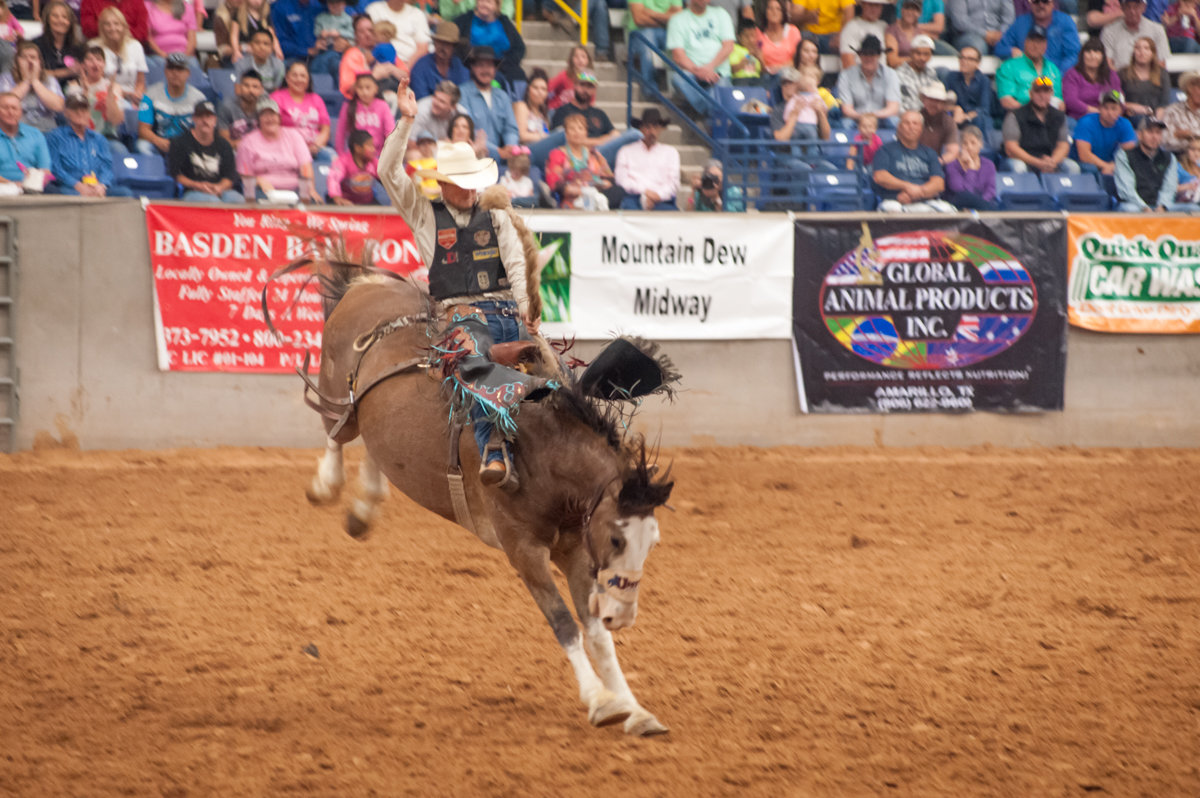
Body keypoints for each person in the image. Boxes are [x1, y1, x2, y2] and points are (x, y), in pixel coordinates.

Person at [380, 86, 551, 486]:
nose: (471, 189)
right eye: (462, 182)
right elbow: (388, 172)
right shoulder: (424, 214)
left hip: (509, 311)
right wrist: (406, 121)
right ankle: (493, 445)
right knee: (470, 357)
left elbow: (515, 260)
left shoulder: (495, 213)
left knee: (555, 372)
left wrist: (527, 305)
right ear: (441, 184)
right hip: (461, 316)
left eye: (474, 180)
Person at [543, 70, 641, 169]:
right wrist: (600, 140)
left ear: (594, 90)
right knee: (635, 134)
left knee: (634, 136)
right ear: (575, 86)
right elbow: (561, 139)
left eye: (590, 87)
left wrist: (587, 141)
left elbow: (615, 135)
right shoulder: (562, 111)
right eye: (582, 85)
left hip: (601, 153)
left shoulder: (599, 113)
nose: (585, 90)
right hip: (577, 155)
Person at [45, 91, 133, 196]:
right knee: (67, 194)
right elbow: (55, 168)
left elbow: (107, 167)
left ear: (89, 113)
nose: (80, 112)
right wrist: (78, 185)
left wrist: (102, 185)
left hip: (97, 186)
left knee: (125, 193)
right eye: (75, 109)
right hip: (70, 188)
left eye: (84, 109)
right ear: (66, 113)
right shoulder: (55, 137)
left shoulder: (99, 139)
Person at [236, 98, 321, 201]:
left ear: (279, 118)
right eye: (265, 115)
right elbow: (245, 175)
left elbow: (305, 166)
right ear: (258, 120)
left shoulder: (294, 135)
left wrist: (310, 189)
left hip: (295, 188)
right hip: (263, 189)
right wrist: (258, 180)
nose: (270, 118)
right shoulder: (247, 142)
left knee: (312, 201)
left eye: (273, 115)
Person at [872, 108, 953, 211]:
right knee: (892, 209)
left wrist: (918, 192)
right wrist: (907, 187)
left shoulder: (930, 153)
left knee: (947, 210)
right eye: (907, 123)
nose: (911, 127)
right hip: (895, 201)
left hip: (925, 201)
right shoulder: (885, 150)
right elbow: (880, 177)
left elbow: (939, 184)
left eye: (915, 124)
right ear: (899, 127)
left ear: (921, 129)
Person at [666, 0, 735, 113]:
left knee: (718, 92)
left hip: (718, 74)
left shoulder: (721, 14)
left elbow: (728, 46)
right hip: (691, 74)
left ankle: (703, 113)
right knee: (678, 78)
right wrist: (698, 71)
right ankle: (707, 111)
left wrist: (709, 67)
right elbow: (678, 56)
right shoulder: (677, 20)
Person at [545, 111, 624, 209]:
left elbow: (608, 179)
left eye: (580, 128)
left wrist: (597, 186)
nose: (576, 132)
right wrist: (580, 191)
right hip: (570, 200)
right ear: (566, 133)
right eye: (572, 128)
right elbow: (554, 182)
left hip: (596, 196)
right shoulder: (557, 154)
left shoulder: (594, 154)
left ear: (586, 132)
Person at [167, 99, 243, 202]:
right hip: (192, 191)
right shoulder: (180, 143)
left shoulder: (224, 145)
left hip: (220, 190)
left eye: (208, 116)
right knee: (213, 202)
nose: (204, 120)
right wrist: (197, 185)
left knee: (239, 200)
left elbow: (229, 176)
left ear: (215, 120)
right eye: (200, 116)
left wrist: (219, 187)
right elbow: (176, 175)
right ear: (194, 119)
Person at [1002, 75, 1080, 172]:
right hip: (1024, 160)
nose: (1042, 96)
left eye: (1046, 91)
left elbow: (1063, 145)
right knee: (1018, 166)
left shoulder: (1059, 116)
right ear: (1031, 94)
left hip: (1049, 159)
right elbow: (1011, 148)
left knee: (1072, 166)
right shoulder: (1015, 115)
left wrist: (1052, 161)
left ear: (1051, 93)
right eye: (1038, 91)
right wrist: (1037, 162)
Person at [1115, 115, 1191, 210]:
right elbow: (1126, 190)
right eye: (1150, 132)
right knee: (1129, 209)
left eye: (1158, 133)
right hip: (1135, 205)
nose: (1154, 137)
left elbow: (1169, 187)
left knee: (1193, 209)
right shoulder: (1124, 156)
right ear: (1139, 135)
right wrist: (1144, 207)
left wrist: (1162, 206)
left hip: (1159, 205)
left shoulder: (1169, 157)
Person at [137, 53, 206, 156]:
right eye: (171, 68)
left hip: (187, 146)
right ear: (165, 71)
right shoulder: (150, 94)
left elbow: (203, 132)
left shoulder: (199, 99)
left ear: (188, 73)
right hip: (158, 143)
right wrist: (158, 141)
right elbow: (143, 130)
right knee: (142, 146)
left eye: (179, 69)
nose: (175, 73)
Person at [457, 45, 518, 161]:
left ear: (495, 70)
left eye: (490, 66)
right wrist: (498, 152)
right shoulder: (462, 93)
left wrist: (510, 146)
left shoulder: (502, 96)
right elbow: (467, 131)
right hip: (474, 156)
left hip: (504, 157)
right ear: (472, 68)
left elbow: (511, 128)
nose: (486, 70)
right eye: (480, 65)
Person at [614, 107, 680, 210]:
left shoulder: (671, 152)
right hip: (634, 198)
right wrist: (645, 192)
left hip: (661, 200)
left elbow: (673, 183)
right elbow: (621, 180)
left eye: (655, 127)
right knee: (628, 206)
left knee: (670, 214)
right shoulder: (626, 151)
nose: (652, 132)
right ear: (641, 128)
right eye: (648, 127)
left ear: (661, 128)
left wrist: (658, 195)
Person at [995, 0, 1080, 75]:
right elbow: (999, 48)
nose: (1041, 5)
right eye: (1036, 1)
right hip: (1025, 77)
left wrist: (1056, 74)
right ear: (1030, 3)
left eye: (1045, 1)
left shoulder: (1065, 22)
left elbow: (1073, 55)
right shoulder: (1020, 22)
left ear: (1053, 3)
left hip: (1057, 77)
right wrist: (1011, 51)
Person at [270, 60, 332, 163]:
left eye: (303, 76)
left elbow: (325, 129)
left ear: (308, 80)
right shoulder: (276, 98)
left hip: (315, 148)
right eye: (294, 75)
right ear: (287, 78)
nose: (299, 79)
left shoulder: (316, 99)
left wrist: (316, 146)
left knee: (332, 158)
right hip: (287, 147)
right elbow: (272, 127)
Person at [452, 0, 525, 86]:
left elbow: (519, 48)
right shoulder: (464, 20)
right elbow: (454, 45)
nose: (484, 4)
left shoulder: (504, 22)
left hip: (502, 68)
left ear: (496, 5)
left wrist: (499, 66)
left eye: (488, 2)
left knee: (519, 75)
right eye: (481, 1)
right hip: (470, 67)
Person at [837, 34, 901, 129]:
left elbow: (893, 108)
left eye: (872, 54)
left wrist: (872, 116)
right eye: (865, 54)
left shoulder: (891, 74)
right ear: (860, 55)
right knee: (845, 124)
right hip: (856, 119)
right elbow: (847, 109)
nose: (868, 58)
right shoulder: (846, 75)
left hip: (882, 119)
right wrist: (863, 118)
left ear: (878, 55)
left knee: (895, 122)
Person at [0, 42, 64, 133]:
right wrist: (26, 81)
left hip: (47, 131)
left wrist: (35, 81)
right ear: (16, 62)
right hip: (16, 130)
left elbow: (58, 106)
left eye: (33, 57)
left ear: (40, 62)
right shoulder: (6, 78)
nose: (29, 61)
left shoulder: (49, 80)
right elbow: (5, 103)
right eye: (24, 57)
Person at [996, 24, 1063, 111]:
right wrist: (1033, 114)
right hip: (1020, 117)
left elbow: (1059, 102)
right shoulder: (1009, 67)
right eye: (1032, 40)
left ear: (1045, 45)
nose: (1035, 45)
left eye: (1039, 42)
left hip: (1050, 118)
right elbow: (1006, 101)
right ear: (1025, 42)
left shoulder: (1053, 69)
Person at [1072, 88, 1137, 174]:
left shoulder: (1125, 124)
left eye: (1114, 109)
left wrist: (1113, 166)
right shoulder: (1086, 122)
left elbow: (1129, 153)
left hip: (1110, 165)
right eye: (1106, 108)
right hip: (1084, 164)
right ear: (1099, 108)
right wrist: (1106, 166)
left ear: (1121, 110)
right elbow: (1084, 155)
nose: (1110, 112)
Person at [79, 46, 128, 154]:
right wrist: (85, 93)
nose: (95, 63)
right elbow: (77, 119)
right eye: (90, 60)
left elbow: (116, 120)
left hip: (107, 137)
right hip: (81, 137)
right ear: (83, 65)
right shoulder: (74, 87)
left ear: (104, 64)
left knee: (120, 150)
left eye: (98, 59)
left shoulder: (114, 87)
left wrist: (110, 94)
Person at [95, 6, 146, 106]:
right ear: (102, 27)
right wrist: (121, 94)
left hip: (133, 96)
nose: (113, 28)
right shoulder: (95, 48)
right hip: (106, 96)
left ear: (123, 26)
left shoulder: (135, 46)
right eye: (107, 24)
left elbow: (140, 82)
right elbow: (95, 81)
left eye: (116, 24)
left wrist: (137, 95)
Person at [0, 91, 51, 191]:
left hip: (31, 187)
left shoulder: (35, 134)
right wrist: (12, 185)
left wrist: (32, 183)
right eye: (5, 108)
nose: (10, 112)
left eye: (14, 108)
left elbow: (45, 170)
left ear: (21, 112)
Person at [627, 0, 682, 87]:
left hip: (666, 32)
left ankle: (682, 89)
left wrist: (652, 14)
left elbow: (679, 16)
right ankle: (650, 89)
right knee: (648, 37)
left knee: (684, 42)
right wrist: (666, 20)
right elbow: (639, 19)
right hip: (639, 33)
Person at [1102, 0, 1170, 70]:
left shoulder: (1158, 30)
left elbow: (1161, 64)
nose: (1132, 11)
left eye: (1136, 7)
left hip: (1150, 78)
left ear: (1144, 8)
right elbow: (1107, 63)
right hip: (1119, 79)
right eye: (1128, 7)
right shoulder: (1109, 32)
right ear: (1122, 8)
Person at [1064, 36, 1121, 119]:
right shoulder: (1072, 74)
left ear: (1103, 56)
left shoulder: (1111, 75)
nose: (1092, 55)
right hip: (1078, 118)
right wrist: (1095, 111)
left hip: (1108, 119)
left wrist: (1109, 113)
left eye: (1096, 52)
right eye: (1088, 52)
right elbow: (1070, 100)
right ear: (1082, 55)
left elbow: (1118, 99)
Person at [328, 127, 390, 203]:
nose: (374, 150)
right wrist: (337, 197)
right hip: (345, 203)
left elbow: (389, 181)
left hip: (367, 203)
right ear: (358, 148)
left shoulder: (374, 163)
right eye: (370, 146)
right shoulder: (342, 162)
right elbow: (333, 179)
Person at [945, 46, 996, 138]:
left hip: (975, 118)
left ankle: (981, 149)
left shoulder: (984, 80)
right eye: (962, 57)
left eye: (970, 59)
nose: (964, 61)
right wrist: (955, 108)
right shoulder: (951, 77)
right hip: (956, 116)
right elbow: (943, 103)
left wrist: (966, 116)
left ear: (977, 63)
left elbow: (984, 109)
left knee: (981, 119)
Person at [336, 71, 393, 153]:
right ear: (355, 89)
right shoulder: (348, 107)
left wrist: (388, 155)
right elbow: (340, 133)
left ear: (376, 89)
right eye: (360, 88)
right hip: (356, 156)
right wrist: (341, 154)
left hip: (378, 155)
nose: (364, 92)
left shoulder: (383, 106)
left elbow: (390, 132)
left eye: (368, 87)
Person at [409, 20, 467, 99]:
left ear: (454, 47)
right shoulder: (421, 66)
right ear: (434, 43)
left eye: (448, 44)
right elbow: (421, 99)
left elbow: (464, 95)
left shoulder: (459, 67)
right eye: (440, 42)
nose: (443, 47)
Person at [943, 124, 997, 208]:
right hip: (959, 208)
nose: (969, 147)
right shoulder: (952, 166)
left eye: (973, 143)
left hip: (983, 207)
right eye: (965, 143)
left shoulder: (989, 165)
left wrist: (980, 204)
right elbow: (963, 194)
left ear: (981, 144)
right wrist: (971, 170)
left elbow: (990, 190)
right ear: (960, 145)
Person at [366, 0, 429, 72]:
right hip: (380, 65)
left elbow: (423, 48)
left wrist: (405, 68)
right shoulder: (374, 10)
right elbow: (365, 38)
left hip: (411, 66)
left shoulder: (417, 14)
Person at [1119, 37, 1171, 121]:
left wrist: (1156, 121)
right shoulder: (1123, 73)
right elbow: (1116, 97)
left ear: (1152, 53)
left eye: (1146, 48)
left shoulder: (1162, 73)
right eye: (1137, 48)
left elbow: (1164, 102)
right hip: (1129, 117)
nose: (1141, 52)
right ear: (1133, 52)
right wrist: (1131, 106)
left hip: (1155, 116)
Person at [35, 1, 85, 87]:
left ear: (70, 22)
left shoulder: (79, 47)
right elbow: (34, 73)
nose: (60, 20)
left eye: (65, 17)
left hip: (73, 91)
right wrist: (65, 72)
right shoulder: (35, 45)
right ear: (47, 19)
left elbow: (84, 72)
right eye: (55, 16)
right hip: (44, 89)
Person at [944, 0, 1012, 57]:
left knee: (1012, 48)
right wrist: (985, 34)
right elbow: (959, 22)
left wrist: (1000, 34)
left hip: (997, 34)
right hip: (966, 35)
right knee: (978, 45)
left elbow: (1009, 18)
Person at [144, 0, 200, 69]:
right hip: (158, 55)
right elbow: (148, 37)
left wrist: (184, 57)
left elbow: (192, 39)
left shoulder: (187, 7)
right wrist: (164, 56)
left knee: (192, 64)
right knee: (162, 64)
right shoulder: (147, 7)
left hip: (184, 54)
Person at [895, 34, 943, 112]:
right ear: (910, 53)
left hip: (928, 117)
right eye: (918, 53)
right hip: (907, 117)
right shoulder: (898, 74)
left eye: (926, 54)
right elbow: (896, 104)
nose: (922, 58)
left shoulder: (931, 73)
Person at [218, 68, 264, 148]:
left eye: (255, 87)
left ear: (261, 90)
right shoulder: (227, 106)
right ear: (239, 87)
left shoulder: (265, 107)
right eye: (246, 86)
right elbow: (224, 143)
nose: (250, 90)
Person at [411, 78, 466, 144]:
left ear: (453, 107)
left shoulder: (461, 113)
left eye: (442, 101)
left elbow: (467, 140)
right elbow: (410, 142)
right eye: (435, 97)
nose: (436, 103)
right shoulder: (421, 110)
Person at [789, 0, 854, 54]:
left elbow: (849, 13)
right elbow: (794, 15)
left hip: (833, 36)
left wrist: (841, 36)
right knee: (800, 39)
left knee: (846, 43)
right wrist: (807, 16)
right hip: (808, 35)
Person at [839, 0, 889, 69]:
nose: (874, 9)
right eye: (870, 5)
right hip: (857, 76)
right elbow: (848, 61)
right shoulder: (851, 27)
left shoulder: (885, 27)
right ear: (863, 4)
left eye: (877, 6)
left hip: (883, 75)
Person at [311, 0, 353, 79]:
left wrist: (339, 32)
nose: (335, 5)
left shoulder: (348, 19)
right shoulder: (321, 17)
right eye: (331, 3)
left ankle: (339, 88)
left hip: (341, 51)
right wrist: (321, 33)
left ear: (344, 4)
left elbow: (351, 34)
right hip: (325, 47)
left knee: (336, 64)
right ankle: (320, 84)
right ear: (327, 3)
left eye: (338, 2)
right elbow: (316, 31)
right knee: (318, 62)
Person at [918, 82, 958, 164]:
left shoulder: (948, 122)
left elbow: (953, 152)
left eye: (937, 101)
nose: (933, 103)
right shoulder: (915, 118)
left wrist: (936, 163)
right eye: (930, 99)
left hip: (936, 164)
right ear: (924, 100)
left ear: (944, 103)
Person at [1162, 70, 1200, 150]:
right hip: (1181, 157)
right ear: (1190, 88)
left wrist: (1189, 135)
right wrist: (1177, 136)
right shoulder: (1173, 111)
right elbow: (1164, 141)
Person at [80, 0, 148, 43]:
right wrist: (114, 33)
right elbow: (88, 29)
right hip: (101, 47)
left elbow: (143, 31)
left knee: (157, 61)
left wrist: (119, 34)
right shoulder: (89, 1)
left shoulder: (137, 1)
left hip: (130, 44)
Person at [513, 67, 550, 146]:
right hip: (525, 151)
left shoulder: (543, 114)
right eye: (535, 88)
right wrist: (544, 137)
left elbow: (546, 134)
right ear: (528, 90)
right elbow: (522, 135)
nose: (539, 92)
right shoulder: (522, 106)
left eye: (543, 89)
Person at [884, 0, 921, 66]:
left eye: (914, 9)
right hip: (898, 70)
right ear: (902, 10)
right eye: (907, 8)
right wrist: (915, 59)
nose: (910, 12)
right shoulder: (892, 30)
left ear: (919, 13)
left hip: (916, 70)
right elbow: (892, 61)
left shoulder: (919, 31)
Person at [730, 19, 764, 83]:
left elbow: (762, 72)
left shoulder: (756, 50)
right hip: (740, 80)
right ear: (739, 37)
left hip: (755, 80)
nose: (750, 40)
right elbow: (733, 69)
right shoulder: (735, 48)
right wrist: (748, 56)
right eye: (746, 36)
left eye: (753, 36)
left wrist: (760, 59)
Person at [1175, 134, 1200, 202]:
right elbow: (1171, 188)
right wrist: (1189, 186)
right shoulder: (1179, 168)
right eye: (1193, 149)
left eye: (1199, 150)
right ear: (1187, 151)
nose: (1196, 154)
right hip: (1186, 203)